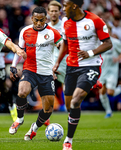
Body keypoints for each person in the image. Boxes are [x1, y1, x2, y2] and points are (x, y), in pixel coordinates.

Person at [52, 0, 112, 150]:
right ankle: (93, 84)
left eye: (65, 6)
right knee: (68, 106)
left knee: (75, 101)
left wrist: (90, 53)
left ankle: (68, 141)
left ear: (74, 6)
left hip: (91, 66)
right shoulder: (65, 22)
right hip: (71, 67)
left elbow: (108, 43)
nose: (62, 9)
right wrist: (58, 62)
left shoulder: (95, 21)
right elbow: (65, 43)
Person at [8, 6, 62, 141]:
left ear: (46, 19)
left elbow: (63, 48)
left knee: (48, 109)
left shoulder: (53, 33)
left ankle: (34, 128)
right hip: (30, 69)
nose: (39, 23)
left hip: (47, 73)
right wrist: (14, 66)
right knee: (22, 92)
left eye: (42, 20)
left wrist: (57, 64)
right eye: (36, 20)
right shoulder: (25, 31)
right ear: (32, 18)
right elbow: (20, 50)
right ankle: (19, 119)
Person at [48, 0, 67, 111]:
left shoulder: (64, 25)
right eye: (52, 11)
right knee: (46, 86)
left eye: (56, 11)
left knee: (67, 88)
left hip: (64, 60)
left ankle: (67, 107)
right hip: (49, 61)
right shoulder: (46, 27)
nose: (54, 13)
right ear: (48, 12)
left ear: (60, 12)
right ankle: (47, 110)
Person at [99, 24, 121, 118]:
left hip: (112, 70)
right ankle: (108, 111)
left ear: (111, 31)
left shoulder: (115, 42)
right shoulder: (100, 42)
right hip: (102, 70)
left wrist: (118, 58)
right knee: (102, 92)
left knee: (110, 93)